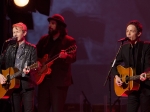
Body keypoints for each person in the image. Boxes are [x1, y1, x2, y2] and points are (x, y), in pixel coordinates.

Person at [36, 14, 77, 112]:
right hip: (43, 81)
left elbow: (73, 57)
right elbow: (34, 53)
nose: (50, 26)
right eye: (49, 23)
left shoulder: (69, 41)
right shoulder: (44, 40)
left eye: (53, 23)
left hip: (59, 82)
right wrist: (37, 62)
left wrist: (66, 56)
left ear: (59, 26)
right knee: (41, 109)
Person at [113, 20, 150, 112]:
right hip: (132, 89)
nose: (128, 33)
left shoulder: (146, 47)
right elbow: (113, 64)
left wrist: (145, 73)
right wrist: (117, 76)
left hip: (146, 89)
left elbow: (148, 64)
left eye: (132, 31)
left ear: (139, 34)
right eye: (127, 31)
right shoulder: (124, 48)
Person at [0, 22, 37, 112]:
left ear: (24, 33)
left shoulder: (31, 48)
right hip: (12, 85)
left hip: (26, 85)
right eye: (13, 32)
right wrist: (0, 75)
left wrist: (29, 70)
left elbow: (35, 65)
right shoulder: (9, 47)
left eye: (17, 31)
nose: (15, 34)